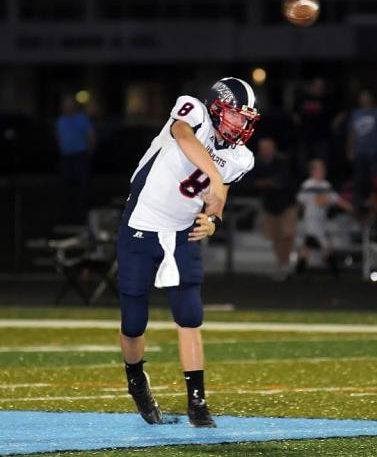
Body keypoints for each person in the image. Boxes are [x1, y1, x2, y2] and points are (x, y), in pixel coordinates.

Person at [117, 77, 260, 427]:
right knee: (134, 323)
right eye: (236, 116)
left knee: (190, 316)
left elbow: (219, 196)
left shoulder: (241, 157)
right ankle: (136, 379)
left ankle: (197, 401)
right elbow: (183, 136)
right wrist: (211, 173)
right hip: (142, 224)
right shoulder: (192, 110)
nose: (241, 125)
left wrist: (214, 220)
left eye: (246, 119)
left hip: (183, 233)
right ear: (216, 107)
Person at [296, 159, 353, 277]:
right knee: (325, 245)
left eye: (323, 169)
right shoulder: (308, 185)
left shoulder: (325, 185)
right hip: (311, 222)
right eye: (319, 169)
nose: (322, 171)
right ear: (312, 171)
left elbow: (335, 199)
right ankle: (336, 273)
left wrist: (349, 207)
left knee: (308, 247)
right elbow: (304, 202)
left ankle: (298, 272)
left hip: (320, 221)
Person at [252, 138, 297, 281]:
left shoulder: (283, 161)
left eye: (268, 147)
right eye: (263, 148)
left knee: (288, 235)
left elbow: (284, 181)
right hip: (269, 205)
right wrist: (268, 183)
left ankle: (286, 262)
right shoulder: (256, 162)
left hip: (287, 203)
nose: (265, 150)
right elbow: (251, 182)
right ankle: (282, 264)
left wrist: (268, 183)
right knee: (275, 237)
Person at [56, 95, 95, 224]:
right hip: (66, 157)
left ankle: (82, 213)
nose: (67, 107)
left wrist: (89, 152)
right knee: (67, 186)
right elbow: (59, 137)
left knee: (82, 185)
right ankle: (68, 213)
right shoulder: (61, 120)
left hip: (80, 156)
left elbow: (90, 136)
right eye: (65, 105)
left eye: (69, 105)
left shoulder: (81, 119)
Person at [347, 89, 377, 218]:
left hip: (374, 152)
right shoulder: (356, 114)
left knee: (373, 181)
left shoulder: (375, 112)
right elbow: (352, 134)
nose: (365, 99)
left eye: (367, 96)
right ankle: (359, 210)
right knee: (359, 181)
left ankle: (373, 209)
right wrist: (349, 149)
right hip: (360, 152)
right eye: (362, 96)